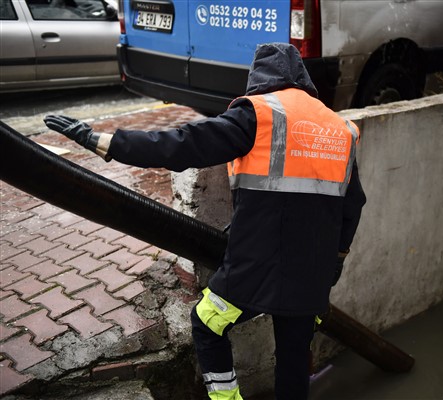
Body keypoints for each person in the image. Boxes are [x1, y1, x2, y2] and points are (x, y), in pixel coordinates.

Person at [44, 42, 366, 400]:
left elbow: (181, 144)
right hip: (312, 276)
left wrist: (105, 141)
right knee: (293, 356)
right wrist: (336, 260)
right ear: (302, 78)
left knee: (207, 323)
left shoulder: (258, 114)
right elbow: (353, 205)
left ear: (260, 77)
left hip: (255, 271)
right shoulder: (342, 129)